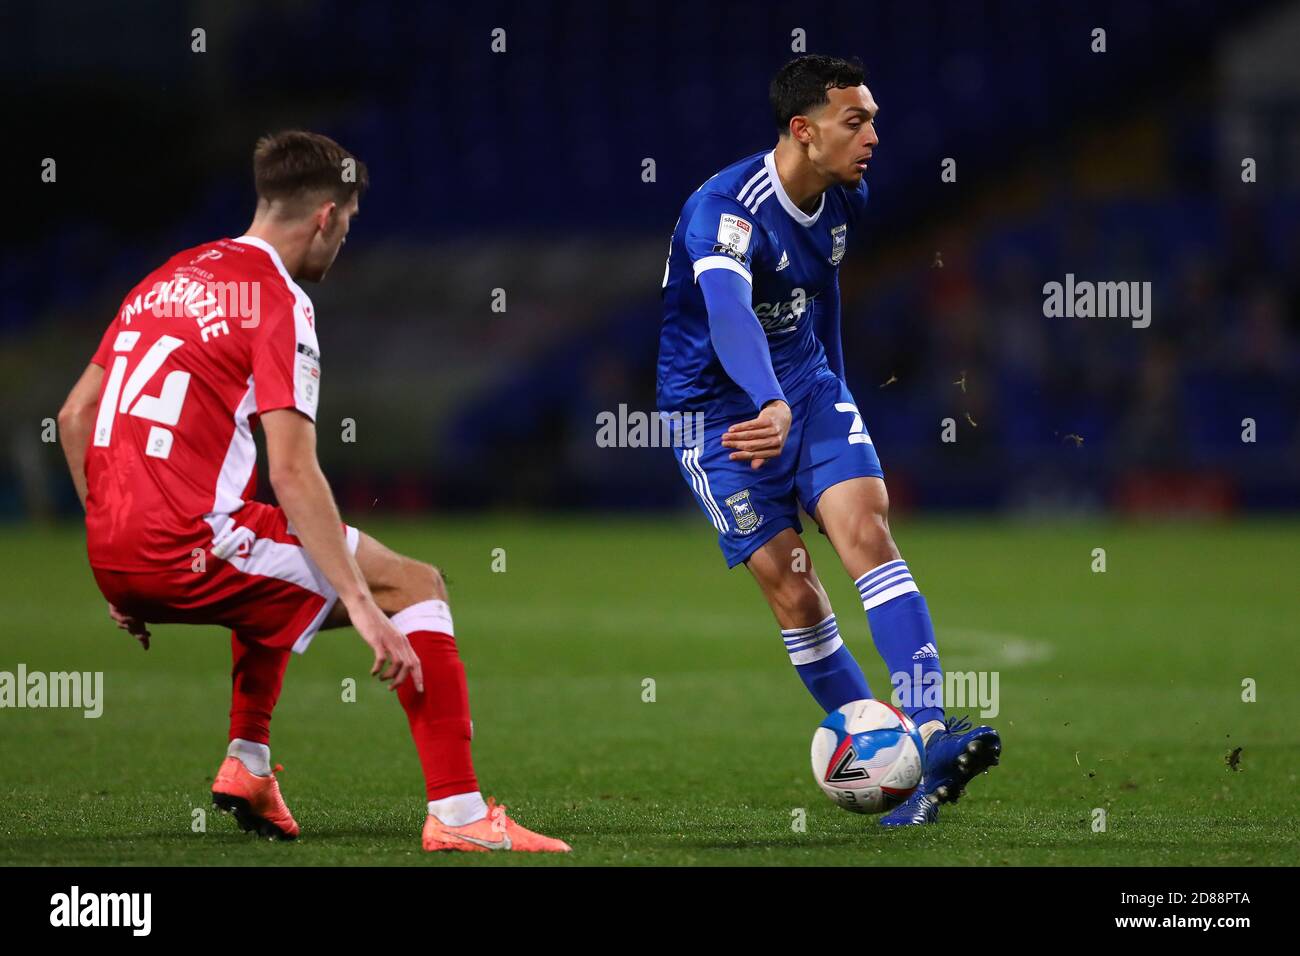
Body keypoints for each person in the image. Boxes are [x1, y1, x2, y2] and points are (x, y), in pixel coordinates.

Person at [57, 130, 569, 852]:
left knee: (268, 544)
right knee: (417, 586)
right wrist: (365, 604)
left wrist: (113, 544)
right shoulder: (277, 299)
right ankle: (460, 818)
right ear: (327, 216)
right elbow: (294, 469)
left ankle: (249, 763)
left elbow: (74, 416)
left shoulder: (166, 277)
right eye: (349, 226)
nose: (344, 243)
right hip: (186, 544)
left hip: (112, 551)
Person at [656, 55, 1000, 826]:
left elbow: (821, 295)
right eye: (857, 120)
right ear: (803, 131)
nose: (874, 134)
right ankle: (901, 779)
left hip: (806, 391)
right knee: (794, 588)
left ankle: (932, 735)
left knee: (867, 532)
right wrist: (769, 403)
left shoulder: (847, 197)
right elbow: (729, 315)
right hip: (716, 415)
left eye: (873, 116)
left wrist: (828, 401)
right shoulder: (724, 209)